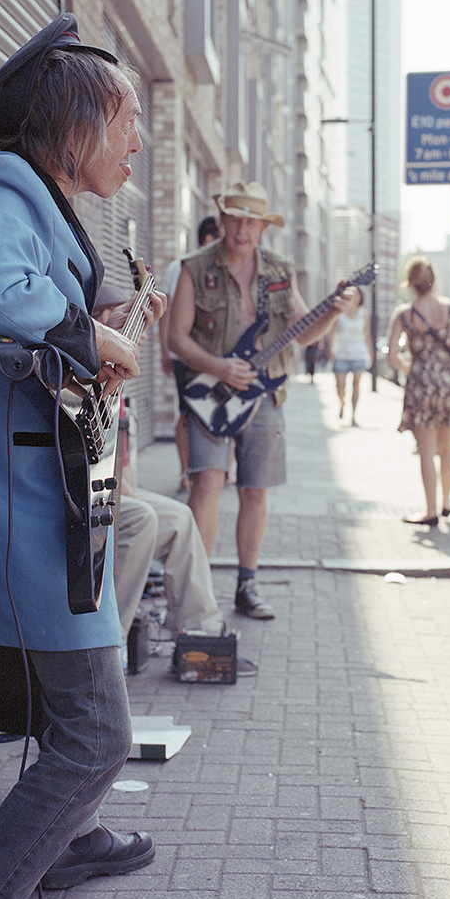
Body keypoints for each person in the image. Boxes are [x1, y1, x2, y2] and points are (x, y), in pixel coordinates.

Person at [0, 16, 166, 899]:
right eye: (129, 117)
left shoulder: (34, 201)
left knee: (71, 717)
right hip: (22, 509)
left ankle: (72, 835)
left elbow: (24, 318)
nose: (139, 138)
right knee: (95, 737)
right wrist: (97, 337)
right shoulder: (0, 189)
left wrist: (90, 321)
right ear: (77, 122)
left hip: (46, 503)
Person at [168, 181, 358, 620]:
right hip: (209, 395)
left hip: (265, 394)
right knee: (207, 482)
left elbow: (304, 330)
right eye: (234, 219)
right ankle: (197, 592)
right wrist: (219, 367)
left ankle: (247, 586)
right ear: (222, 221)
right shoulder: (195, 268)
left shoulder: (279, 271)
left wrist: (331, 311)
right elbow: (176, 338)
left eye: (251, 222)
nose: (241, 230)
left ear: (262, 226)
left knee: (255, 490)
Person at [92, 285, 256, 676]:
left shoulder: (115, 376)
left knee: (180, 519)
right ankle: (104, 651)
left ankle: (200, 634)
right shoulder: (81, 369)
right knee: (144, 519)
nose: (129, 332)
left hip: (107, 491)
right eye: (109, 320)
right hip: (82, 498)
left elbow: (122, 474)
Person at [386, 256, 450, 526]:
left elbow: (391, 356)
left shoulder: (404, 314)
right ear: (434, 279)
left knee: (426, 450)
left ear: (410, 283)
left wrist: (412, 370)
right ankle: (447, 501)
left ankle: (430, 511)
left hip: (420, 386)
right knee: (447, 449)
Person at [159, 216, 221, 490]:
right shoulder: (180, 267)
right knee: (187, 412)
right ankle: (186, 472)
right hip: (184, 357)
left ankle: (217, 469)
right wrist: (164, 351)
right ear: (208, 238)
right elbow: (165, 313)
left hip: (216, 358)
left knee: (220, 408)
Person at [329, 286, 372, 425]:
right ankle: (342, 403)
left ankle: (353, 416)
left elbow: (367, 336)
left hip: (359, 352)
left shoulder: (364, 314)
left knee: (356, 385)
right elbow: (332, 332)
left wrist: (370, 354)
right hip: (341, 352)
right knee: (340, 386)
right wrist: (330, 349)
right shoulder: (339, 313)